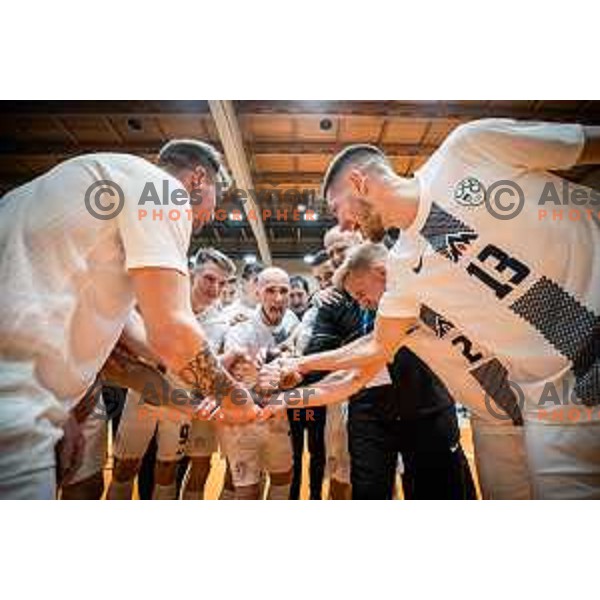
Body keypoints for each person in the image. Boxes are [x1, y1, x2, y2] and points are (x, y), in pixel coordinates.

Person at [274, 119, 600, 499]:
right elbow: (375, 348)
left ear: (360, 182)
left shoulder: (468, 148)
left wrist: (299, 368)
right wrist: (295, 374)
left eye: (336, 208)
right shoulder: (401, 271)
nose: (343, 224)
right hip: (550, 399)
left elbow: (586, 144)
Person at [0, 139, 260, 499]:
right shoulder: (164, 192)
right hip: (15, 405)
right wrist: (230, 395)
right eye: (217, 198)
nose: (212, 214)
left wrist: (67, 409)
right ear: (199, 178)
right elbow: (170, 332)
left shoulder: (80, 185)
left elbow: (133, 342)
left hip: (29, 398)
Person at [336, 242, 520, 499]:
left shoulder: (424, 288)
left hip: (442, 405)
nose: (362, 303)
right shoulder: (347, 305)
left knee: (445, 489)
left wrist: (301, 366)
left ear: (381, 271)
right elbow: (357, 352)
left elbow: (374, 347)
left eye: (361, 293)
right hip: (379, 413)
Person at [218, 267, 298, 499]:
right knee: (245, 490)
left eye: (284, 291)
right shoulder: (241, 329)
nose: (278, 298)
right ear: (258, 293)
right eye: (271, 290)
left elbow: (295, 372)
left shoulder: (293, 323)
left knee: (283, 479)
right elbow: (234, 378)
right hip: (245, 418)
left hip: (277, 418)